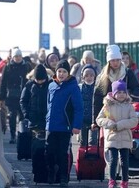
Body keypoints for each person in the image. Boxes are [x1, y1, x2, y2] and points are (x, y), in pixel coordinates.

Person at [45, 59, 83, 187]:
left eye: (64, 71)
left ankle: (63, 177)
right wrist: (47, 119)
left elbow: (78, 108)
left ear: (68, 73)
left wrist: (77, 125)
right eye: (59, 71)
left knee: (63, 153)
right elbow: (48, 104)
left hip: (65, 126)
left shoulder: (73, 87)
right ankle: (51, 171)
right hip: (51, 125)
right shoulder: (51, 85)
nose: (61, 74)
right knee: (49, 151)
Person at [96, 80, 138, 188]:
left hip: (125, 137)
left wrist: (121, 124)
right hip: (112, 137)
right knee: (113, 160)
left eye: (123, 92)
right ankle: (112, 180)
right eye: (119, 92)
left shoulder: (129, 106)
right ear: (114, 93)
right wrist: (110, 123)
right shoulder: (107, 106)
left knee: (125, 161)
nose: (121, 95)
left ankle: (124, 181)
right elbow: (99, 119)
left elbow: (134, 120)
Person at [92, 44, 139, 130]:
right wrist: (95, 121)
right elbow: (97, 98)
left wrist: (127, 96)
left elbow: (137, 89)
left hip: (125, 113)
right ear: (109, 62)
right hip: (109, 115)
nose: (115, 63)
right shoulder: (103, 76)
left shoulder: (127, 73)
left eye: (117, 60)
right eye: (112, 60)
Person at [0, 48, 32, 144]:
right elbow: (3, 83)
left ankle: (21, 135)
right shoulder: (8, 67)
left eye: (19, 56)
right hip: (11, 97)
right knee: (12, 116)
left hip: (24, 96)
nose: (18, 58)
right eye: (16, 56)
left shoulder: (26, 66)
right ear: (13, 57)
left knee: (23, 117)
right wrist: (2, 97)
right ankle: (13, 135)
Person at [20, 64, 50, 133]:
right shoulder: (29, 85)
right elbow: (23, 101)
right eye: (38, 80)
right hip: (33, 120)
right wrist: (26, 114)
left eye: (42, 80)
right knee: (35, 141)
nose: (40, 82)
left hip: (47, 119)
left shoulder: (50, 85)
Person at [78, 64, 98, 146]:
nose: (89, 78)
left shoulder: (97, 88)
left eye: (91, 75)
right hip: (82, 118)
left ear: (95, 76)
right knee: (83, 141)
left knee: (93, 141)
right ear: (83, 77)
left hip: (94, 118)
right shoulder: (79, 88)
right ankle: (83, 157)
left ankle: (93, 157)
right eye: (86, 76)